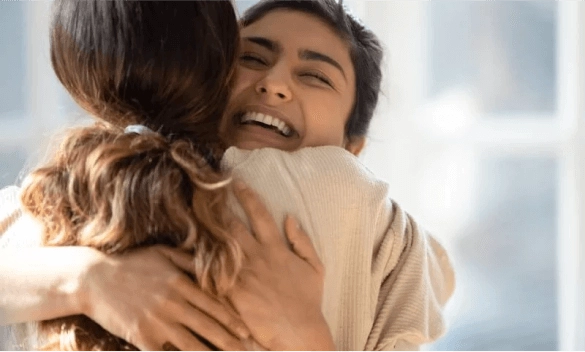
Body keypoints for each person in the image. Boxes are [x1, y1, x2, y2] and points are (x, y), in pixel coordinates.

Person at [0, 0, 455, 350]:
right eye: (253, 58)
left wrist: (304, 333)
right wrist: (90, 279)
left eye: (315, 76)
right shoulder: (83, 183)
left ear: (353, 147)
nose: (274, 82)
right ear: (207, 78)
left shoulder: (379, 227)